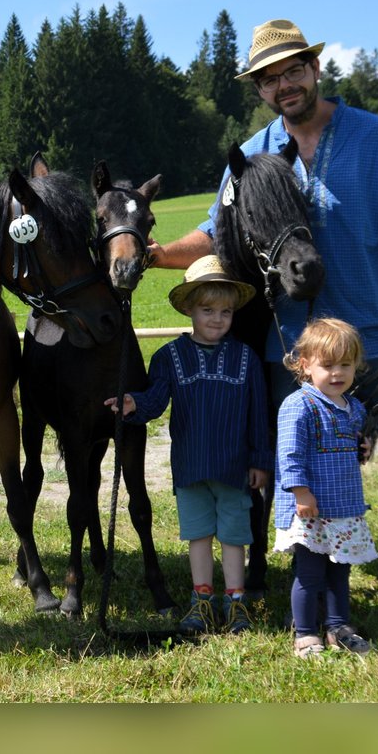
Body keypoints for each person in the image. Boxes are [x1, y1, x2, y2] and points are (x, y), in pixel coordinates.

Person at [149, 18, 378, 627]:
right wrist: (152, 254)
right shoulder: (252, 157)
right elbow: (216, 234)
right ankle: (287, 586)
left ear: (314, 68)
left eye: (293, 70)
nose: (284, 84)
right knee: (282, 468)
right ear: (259, 89)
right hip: (293, 351)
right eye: (269, 78)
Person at [106, 255, 271, 635]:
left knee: (233, 536)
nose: (217, 319)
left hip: (234, 469)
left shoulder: (246, 358)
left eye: (226, 311)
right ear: (189, 310)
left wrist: (260, 460)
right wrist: (133, 403)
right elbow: (155, 400)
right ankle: (202, 602)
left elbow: (258, 415)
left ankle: (235, 603)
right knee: (198, 535)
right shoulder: (168, 357)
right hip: (191, 466)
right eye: (207, 309)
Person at [275, 318, 377, 658]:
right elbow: (289, 453)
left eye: (345, 365)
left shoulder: (354, 407)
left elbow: (350, 442)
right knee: (309, 573)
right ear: (305, 366)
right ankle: (305, 633)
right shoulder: (299, 405)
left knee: (339, 570)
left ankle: (338, 626)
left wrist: (361, 447)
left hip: (344, 506)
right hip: (312, 507)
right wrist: (300, 493)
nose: (337, 373)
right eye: (328, 365)